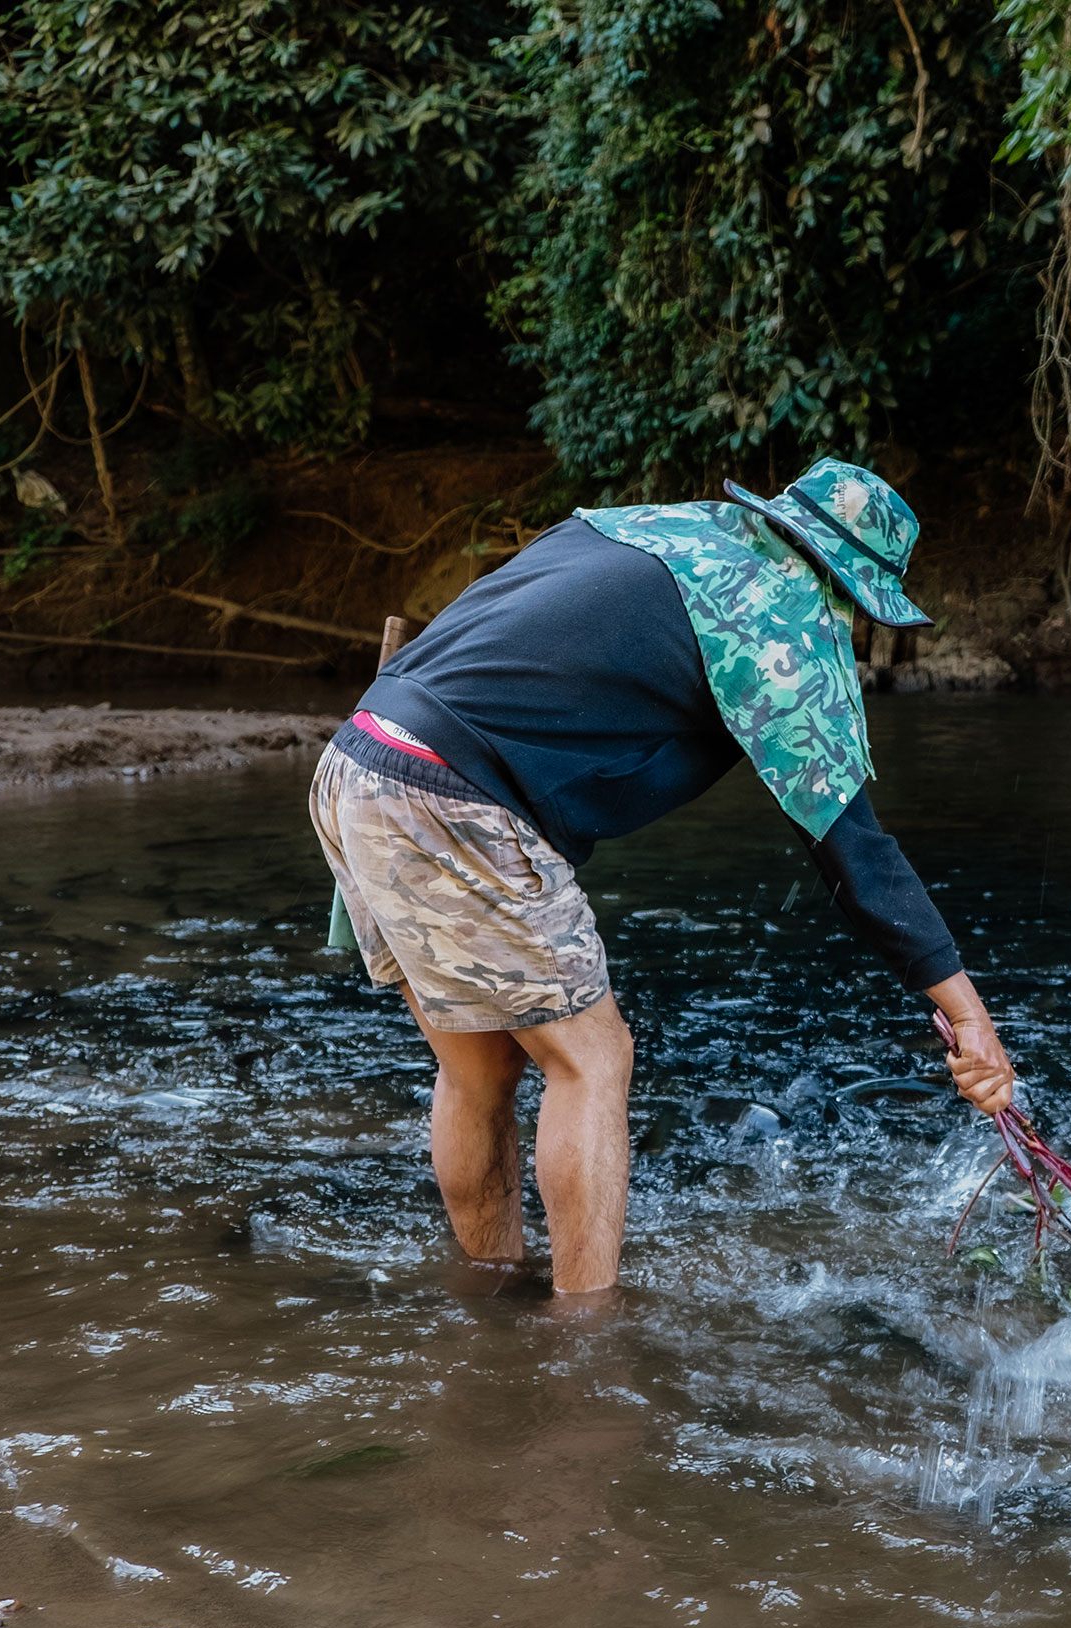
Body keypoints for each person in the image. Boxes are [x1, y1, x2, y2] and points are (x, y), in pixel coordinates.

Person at [308, 459, 1016, 1295]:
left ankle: (490, 1300)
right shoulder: (778, 615)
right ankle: (585, 1346)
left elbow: (473, 651)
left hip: (358, 757)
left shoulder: (640, 527)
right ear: (849, 585)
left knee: (480, 1069)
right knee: (593, 1060)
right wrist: (968, 1014)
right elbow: (855, 853)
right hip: (454, 797)